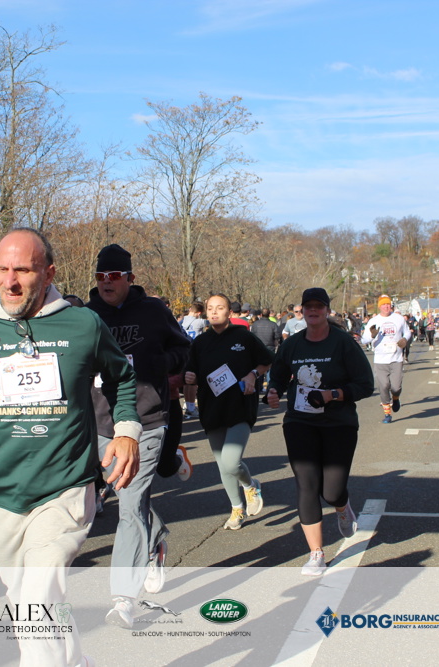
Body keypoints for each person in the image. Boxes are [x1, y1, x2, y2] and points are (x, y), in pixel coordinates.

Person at [0, 228, 140, 667]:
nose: (10, 281)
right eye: (2, 269)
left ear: (49, 273)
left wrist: (127, 431)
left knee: (36, 601)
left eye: (22, 270)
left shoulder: (83, 324)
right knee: (27, 597)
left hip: (64, 486)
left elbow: (122, 377)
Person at [86, 243, 191, 629]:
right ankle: (155, 536)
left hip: (147, 420)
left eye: (114, 276)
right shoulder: (87, 315)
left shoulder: (153, 311)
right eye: (101, 276)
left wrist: (162, 363)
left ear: (130, 278)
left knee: (130, 508)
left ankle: (123, 599)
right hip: (100, 421)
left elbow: (184, 347)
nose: (107, 282)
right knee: (126, 495)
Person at [266, 288, 375, 576]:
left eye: (318, 306)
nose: (313, 310)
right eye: (308, 306)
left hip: (339, 423)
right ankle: (316, 553)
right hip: (299, 422)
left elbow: (365, 385)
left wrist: (333, 395)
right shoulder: (292, 345)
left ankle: (342, 506)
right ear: (301, 311)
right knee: (307, 484)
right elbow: (278, 376)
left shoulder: (343, 343)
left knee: (332, 491)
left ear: (327, 310)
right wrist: (273, 391)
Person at [184, 294, 271, 532]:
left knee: (231, 461)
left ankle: (250, 486)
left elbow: (266, 361)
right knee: (222, 465)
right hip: (212, 408)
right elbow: (191, 372)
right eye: (210, 308)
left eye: (219, 308)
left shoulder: (244, 337)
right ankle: (237, 508)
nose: (214, 312)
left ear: (229, 312)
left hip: (240, 406)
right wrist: (189, 376)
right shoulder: (200, 342)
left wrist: (253, 374)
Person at [361, 295, 410, 424]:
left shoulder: (398, 318)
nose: (386, 306)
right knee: (383, 386)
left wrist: (405, 339)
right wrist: (372, 336)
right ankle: (387, 414)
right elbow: (364, 340)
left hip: (396, 358)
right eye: (383, 304)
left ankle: (396, 397)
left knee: (396, 387)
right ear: (379, 306)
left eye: (388, 304)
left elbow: (407, 332)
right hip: (380, 360)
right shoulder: (374, 321)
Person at [180, 302, 206, 419]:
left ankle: (188, 405)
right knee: (193, 382)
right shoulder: (199, 322)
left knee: (186, 381)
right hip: (195, 352)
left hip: (183, 352)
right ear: (199, 313)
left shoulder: (181, 321)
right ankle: (191, 408)